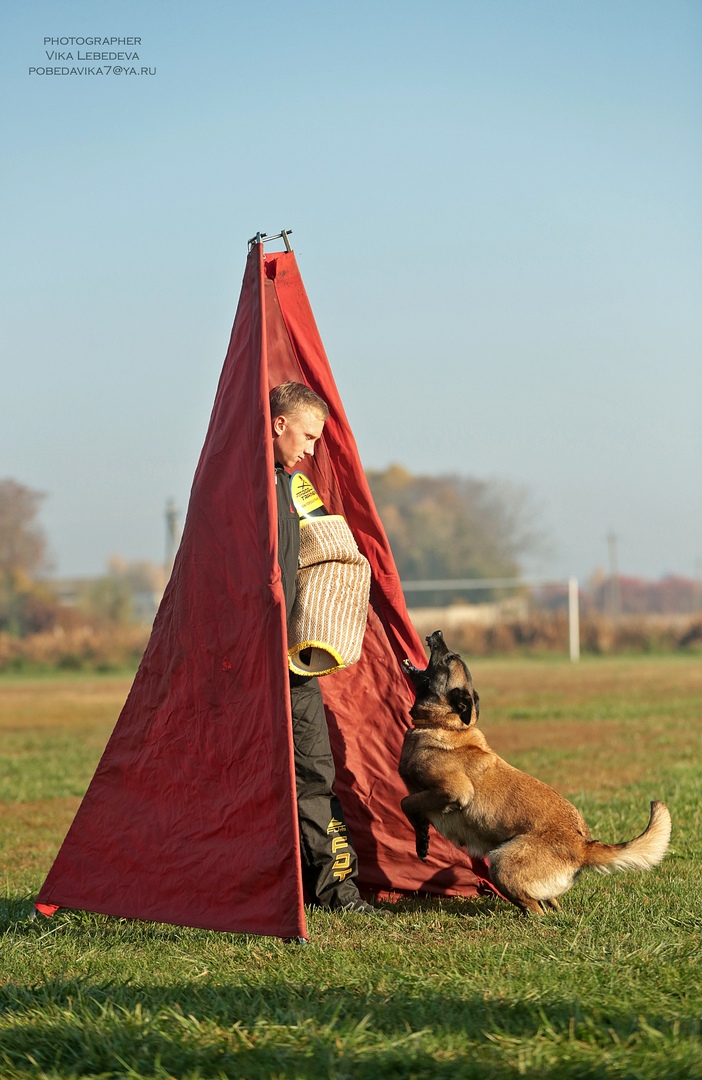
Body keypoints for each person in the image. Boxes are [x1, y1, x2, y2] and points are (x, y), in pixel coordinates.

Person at [270, 381, 386, 916]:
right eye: (308, 436)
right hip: (241, 661)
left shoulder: (294, 488)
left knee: (313, 771)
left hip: (290, 664)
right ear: (278, 424)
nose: (312, 449)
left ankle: (334, 895)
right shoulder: (237, 489)